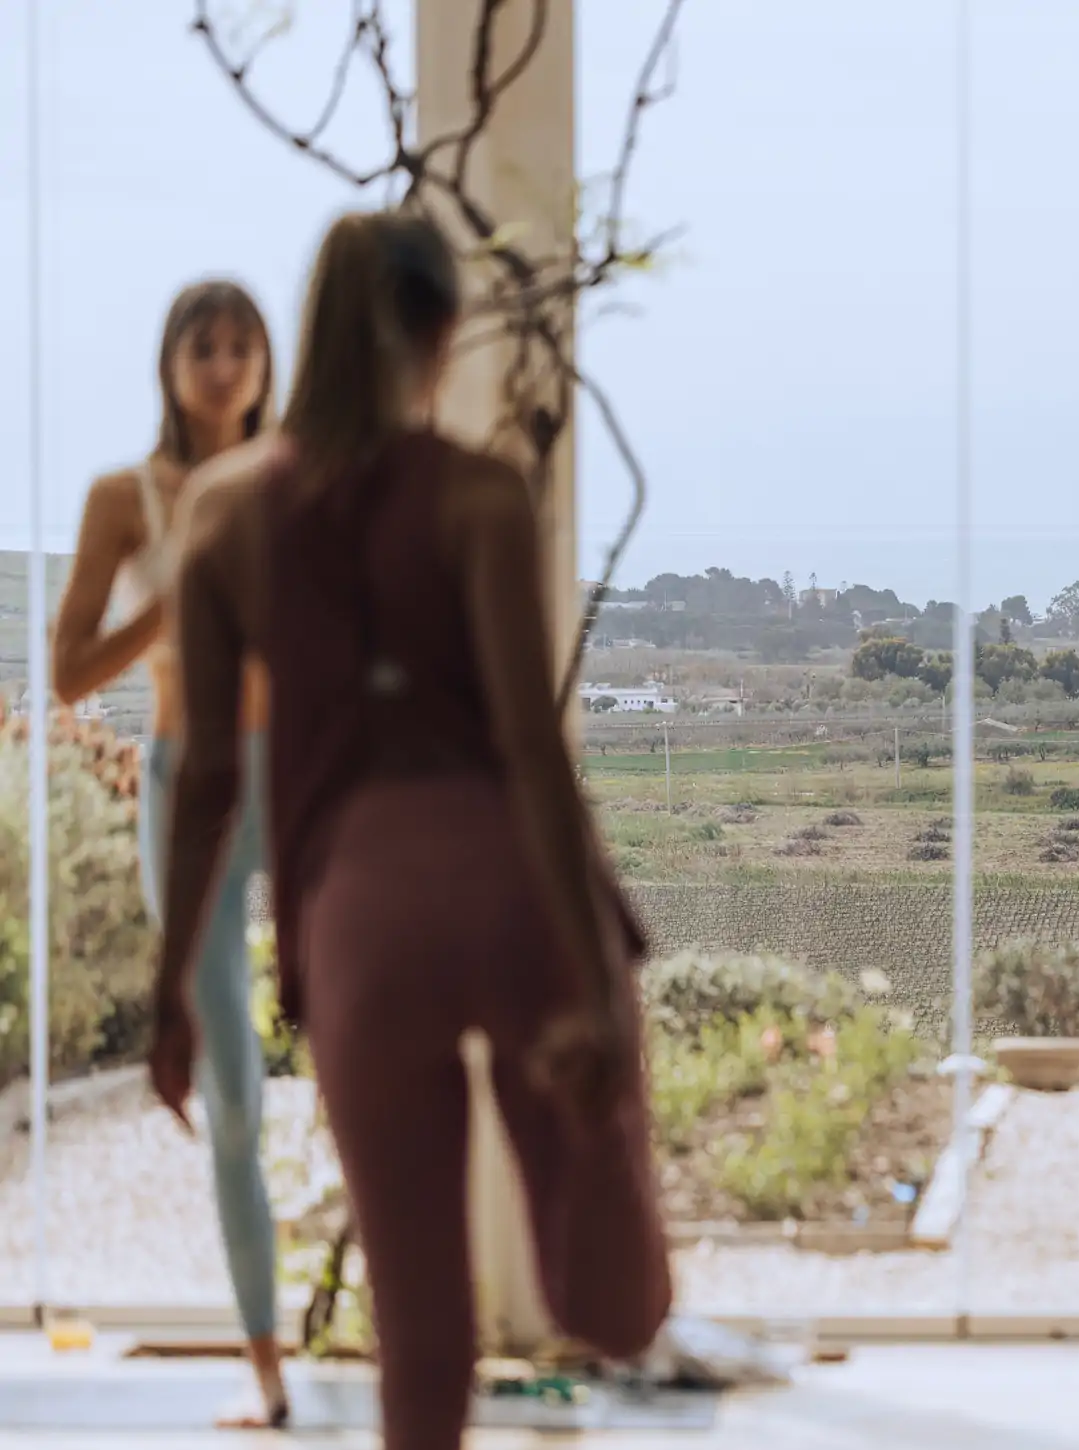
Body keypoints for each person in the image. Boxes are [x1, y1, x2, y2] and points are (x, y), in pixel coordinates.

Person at [146, 209, 672, 1450]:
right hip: (512, 888)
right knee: (615, 1305)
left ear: (309, 330)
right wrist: (596, 980)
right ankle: (591, 1197)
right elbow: (533, 756)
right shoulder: (482, 496)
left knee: (421, 1345)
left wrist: (171, 988)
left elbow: (211, 776)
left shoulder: (220, 514)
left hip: (358, 919)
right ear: (441, 329)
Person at [50, 279, 289, 1429]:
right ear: (170, 361)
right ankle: (269, 1368)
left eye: (244, 341)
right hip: (182, 786)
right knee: (231, 1086)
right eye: (205, 340)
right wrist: (183, 591)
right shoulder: (119, 496)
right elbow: (67, 675)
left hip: (294, 781)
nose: (225, 359)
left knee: (365, 1033)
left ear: (267, 362)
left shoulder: (297, 478)